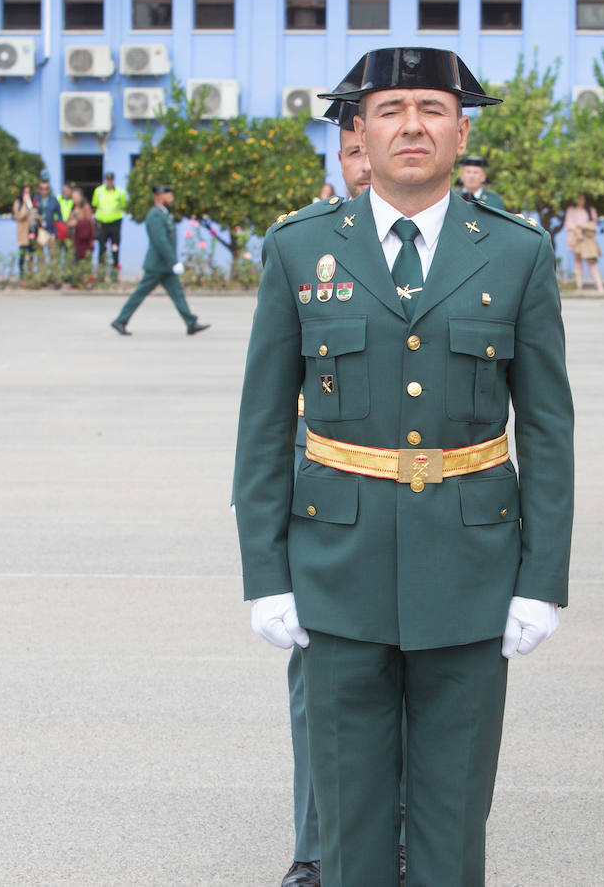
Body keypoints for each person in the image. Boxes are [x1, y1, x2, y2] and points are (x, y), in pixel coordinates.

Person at [233, 47, 574, 887]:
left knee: (453, 814)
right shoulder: (298, 250)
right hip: (335, 566)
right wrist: (265, 574)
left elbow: (549, 429)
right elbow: (263, 426)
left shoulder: (516, 252)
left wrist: (542, 579)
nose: (412, 125)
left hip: (471, 567)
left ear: (462, 130)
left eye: (431, 108)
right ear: (359, 130)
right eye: (389, 110)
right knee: (347, 819)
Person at [276, 95, 381, 887]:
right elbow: (269, 407)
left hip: (427, 508)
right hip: (329, 508)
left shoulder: (464, 244)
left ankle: (402, 839)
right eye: (351, 151)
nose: (367, 163)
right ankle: (318, 848)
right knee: (321, 693)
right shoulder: (303, 249)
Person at [110, 184, 209, 336]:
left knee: (177, 294)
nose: (172, 199)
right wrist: (173, 261)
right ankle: (121, 320)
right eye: (169, 196)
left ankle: (191, 323)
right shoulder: (156, 215)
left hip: (165, 266)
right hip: (157, 265)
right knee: (140, 294)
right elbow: (160, 241)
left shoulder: (163, 214)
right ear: (159, 197)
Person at [564, 194, 604, 292]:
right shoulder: (571, 210)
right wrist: (577, 231)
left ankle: (600, 287)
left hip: (587, 240)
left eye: (582, 198)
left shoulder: (591, 210)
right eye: (578, 198)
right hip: (576, 239)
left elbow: (593, 225)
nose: (580, 200)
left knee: (591, 263)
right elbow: (569, 224)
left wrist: (581, 227)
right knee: (577, 262)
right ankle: (578, 286)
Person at [92, 171, 128, 276]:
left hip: (115, 224)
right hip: (102, 224)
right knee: (102, 248)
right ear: (105, 180)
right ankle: (101, 274)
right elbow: (94, 206)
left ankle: (114, 273)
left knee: (115, 247)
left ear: (113, 180)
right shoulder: (99, 191)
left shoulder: (120, 192)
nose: (109, 182)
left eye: (111, 180)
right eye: (107, 180)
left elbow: (123, 206)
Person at [12, 184, 38, 276]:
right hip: (23, 233)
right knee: (22, 255)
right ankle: (22, 276)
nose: (27, 194)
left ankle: (30, 275)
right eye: (25, 192)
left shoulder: (33, 202)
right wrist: (25, 204)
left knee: (31, 254)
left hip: (31, 232)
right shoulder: (18, 202)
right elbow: (19, 216)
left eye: (29, 192)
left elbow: (34, 214)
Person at [69, 191, 95, 264]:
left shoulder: (86, 207)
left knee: (84, 259)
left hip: (83, 239)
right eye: (72, 197)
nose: (73, 199)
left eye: (75, 197)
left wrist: (77, 223)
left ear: (80, 197)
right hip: (74, 239)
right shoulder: (73, 208)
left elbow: (89, 223)